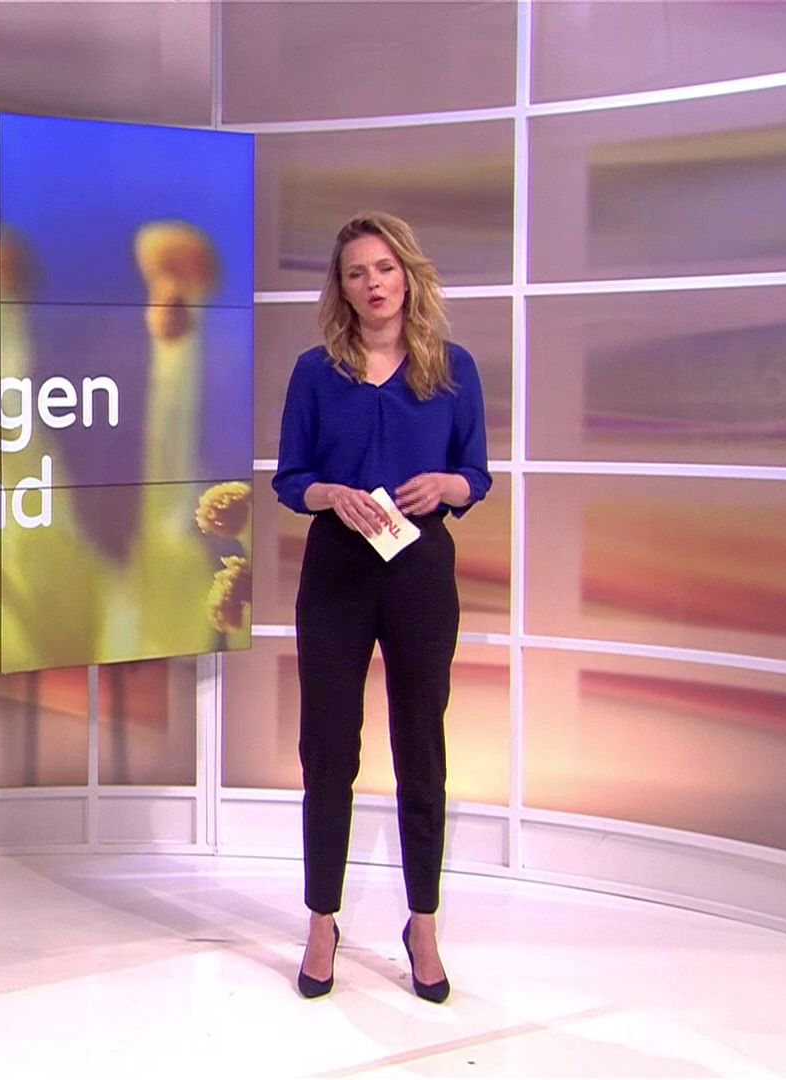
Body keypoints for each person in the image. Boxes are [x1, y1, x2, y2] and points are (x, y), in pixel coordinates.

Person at [271, 212, 490, 1003]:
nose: (373, 283)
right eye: (358, 272)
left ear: (408, 277)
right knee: (328, 749)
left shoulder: (453, 368)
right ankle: (321, 920)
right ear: (342, 288)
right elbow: (290, 478)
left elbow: (477, 473)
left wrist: (449, 485)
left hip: (419, 569)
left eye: (385, 268)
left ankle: (422, 922)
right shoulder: (314, 372)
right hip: (336, 570)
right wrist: (328, 494)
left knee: (420, 745)